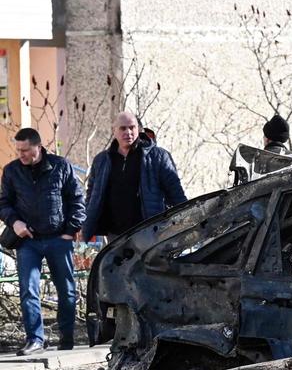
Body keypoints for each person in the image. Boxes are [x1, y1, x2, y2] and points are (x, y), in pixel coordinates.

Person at [0, 128, 85, 355]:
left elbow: (77, 198)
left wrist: (70, 230)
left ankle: (66, 337)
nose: (21, 154)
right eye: (18, 150)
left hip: (59, 238)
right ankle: (35, 339)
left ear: (38, 146)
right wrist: (14, 222)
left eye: (25, 150)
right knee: (28, 289)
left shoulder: (61, 166)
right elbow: (4, 203)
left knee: (66, 290)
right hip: (28, 241)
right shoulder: (11, 171)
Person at [81, 112, 187, 244]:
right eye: (123, 128)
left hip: (148, 231)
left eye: (132, 127)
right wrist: (87, 223)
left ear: (139, 129)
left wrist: (187, 220)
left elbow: (175, 192)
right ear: (114, 131)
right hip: (114, 234)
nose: (128, 132)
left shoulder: (157, 156)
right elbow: (91, 195)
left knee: (148, 265)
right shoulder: (102, 160)